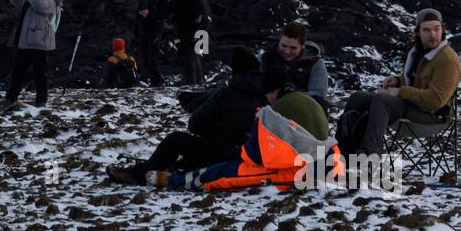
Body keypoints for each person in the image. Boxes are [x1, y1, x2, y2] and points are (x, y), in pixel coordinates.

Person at [146, 65, 343, 193]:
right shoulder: (307, 101)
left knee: (223, 172)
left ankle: (171, 179)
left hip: (290, 163)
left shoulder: (277, 113)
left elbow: (232, 169)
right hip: (320, 156)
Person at [107, 46, 266, 184]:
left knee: (175, 140)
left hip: (224, 153)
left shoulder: (226, 93)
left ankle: (138, 175)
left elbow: (195, 125)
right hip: (254, 154)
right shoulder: (267, 93)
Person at [335, 8, 461, 162]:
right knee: (357, 98)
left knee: (382, 101)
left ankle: (370, 157)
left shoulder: (447, 60)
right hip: (414, 105)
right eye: (427, 30)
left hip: (433, 116)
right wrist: (396, 81)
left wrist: (400, 92)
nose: (433, 34)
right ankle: (344, 151)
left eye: (437, 29)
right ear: (418, 32)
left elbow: (436, 100)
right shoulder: (419, 52)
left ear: (442, 30)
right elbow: (415, 79)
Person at [5, 0, 65, 108]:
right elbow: (13, 0)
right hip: (25, 40)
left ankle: (41, 101)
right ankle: (10, 98)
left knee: (39, 73)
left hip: (40, 42)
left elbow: (40, 6)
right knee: (17, 71)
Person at [262, 21, 330, 112]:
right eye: (283, 45)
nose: (286, 51)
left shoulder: (315, 63)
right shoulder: (266, 58)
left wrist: (286, 95)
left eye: (292, 48)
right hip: (267, 111)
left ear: (302, 46)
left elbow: (318, 94)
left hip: (301, 112)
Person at [169, 0, 212, 85]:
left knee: (189, 55)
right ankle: (199, 81)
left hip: (189, 29)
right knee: (196, 54)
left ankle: (192, 82)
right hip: (200, 28)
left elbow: (180, 12)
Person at [134, 0, 170, 87]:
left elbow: (166, 12)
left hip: (155, 28)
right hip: (144, 28)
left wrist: (151, 13)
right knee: (144, 55)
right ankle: (151, 80)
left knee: (153, 57)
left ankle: (157, 82)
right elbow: (139, 8)